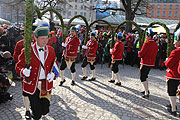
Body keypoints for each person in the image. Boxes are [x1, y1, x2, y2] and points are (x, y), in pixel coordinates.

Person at [15, 26, 58, 120]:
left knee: (45, 110)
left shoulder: (51, 50)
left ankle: (37, 110)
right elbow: (18, 66)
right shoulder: (27, 51)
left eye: (46, 38)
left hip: (45, 84)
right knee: (37, 113)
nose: (45, 41)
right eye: (42, 38)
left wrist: (54, 74)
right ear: (36, 38)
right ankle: (33, 112)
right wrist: (23, 71)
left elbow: (55, 64)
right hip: (32, 84)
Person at [13, 23, 37, 120]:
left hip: (36, 71)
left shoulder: (39, 43)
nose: (31, 35)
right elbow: (15, 57)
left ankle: (34, 106)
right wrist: (23, 60)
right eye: (29, 33)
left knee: (36, 91)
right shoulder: (20, 43)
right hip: (26, 71)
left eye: (33, 33)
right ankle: (27, 110)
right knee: (25, 91)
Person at [138, 29, 158, 98]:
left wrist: (139, 53)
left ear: (149, 36)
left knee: (142, 77)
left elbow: (141, 54)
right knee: (145, 76)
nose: (145, 36)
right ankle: (146, 89)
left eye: (146, 35)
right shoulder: (155, 44)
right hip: (151, 63)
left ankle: (146, 92)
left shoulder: (146, 43)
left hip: (145, 62)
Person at [165, 29, 180, 116]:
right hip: (177, 75)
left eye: (176, 40)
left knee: (171, 91)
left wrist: (166, 61)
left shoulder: (176, 51)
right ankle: (172, 104)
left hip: (173, 75)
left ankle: (173, 109)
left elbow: (168, 63)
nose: (174, 42)